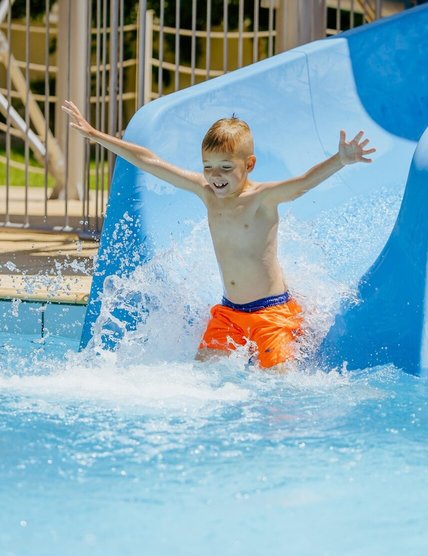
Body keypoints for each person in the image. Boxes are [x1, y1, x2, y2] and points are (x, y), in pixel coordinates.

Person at [62, 100, 375, 368]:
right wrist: (95, 135)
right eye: (208, 167)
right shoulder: (206, 192)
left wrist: (341, 160)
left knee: (280, 390)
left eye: (226, 167)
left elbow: (302, 183)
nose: (215, 176)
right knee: (201, 380)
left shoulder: (262, 198)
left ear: (249, 164)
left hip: (272, 314)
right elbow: (151, 162)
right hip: (229, 313)